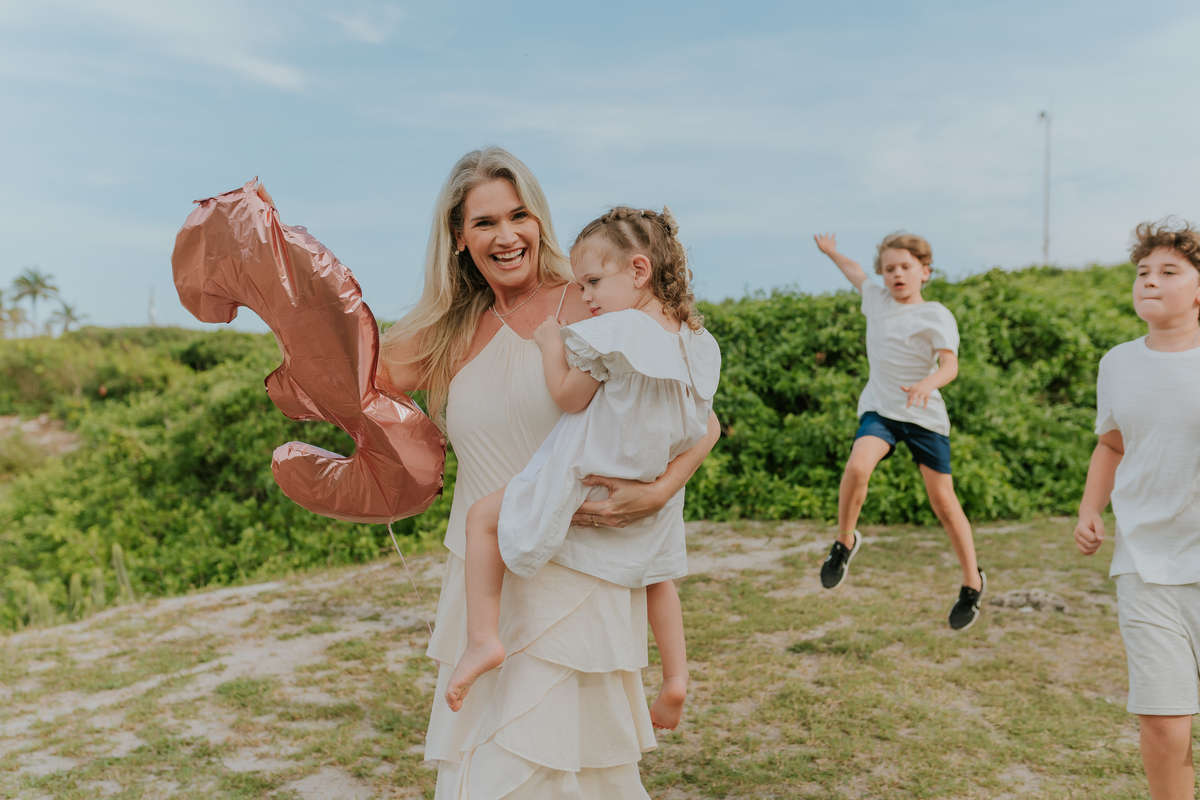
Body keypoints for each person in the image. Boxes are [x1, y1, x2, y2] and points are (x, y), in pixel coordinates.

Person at [378, 148, 720, 799]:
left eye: (519, 215)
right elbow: (342, 388)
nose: (506, 236)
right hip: (484, 581)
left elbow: (700, 420)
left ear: (540, 220)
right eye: (484, 223)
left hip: (579, 579)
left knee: (562, 775)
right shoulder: (436, 334)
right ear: (458, 237)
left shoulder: (592, 301)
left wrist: (656, 492)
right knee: (483, 773)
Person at [445, 206, 720, 734]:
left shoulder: (614, 330)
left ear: (638, 272)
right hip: (651, 483)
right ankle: (675, 679)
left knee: (482, 518)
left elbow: (570, 398)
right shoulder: (695, 341)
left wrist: (553, 345)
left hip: (589, 470)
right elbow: (704, 423)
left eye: (593, 282)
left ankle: (483, 637)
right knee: (658, 579)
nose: (588, 297)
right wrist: (660, 488)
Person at [1074, 219, 1200, 800]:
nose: (1150, 280)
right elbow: (1112, 442)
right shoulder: (1117, 362)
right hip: (1146, 564)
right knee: (1164, 721)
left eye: (1169, 271)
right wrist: (1090, 509)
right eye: (1143, 272)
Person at [812, 231, 984, 630]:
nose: (897, 274)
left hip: (924, 414)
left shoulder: (936, 314)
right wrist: (833, 252)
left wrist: (929, 384)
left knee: (943, 502)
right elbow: (856, 273)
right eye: (889, 269)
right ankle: (845, 541)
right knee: (857, 468)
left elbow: (950, 365)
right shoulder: (876, 300)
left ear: (924, 271)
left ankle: (972, 582)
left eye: (906, 267)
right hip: (882, 409)